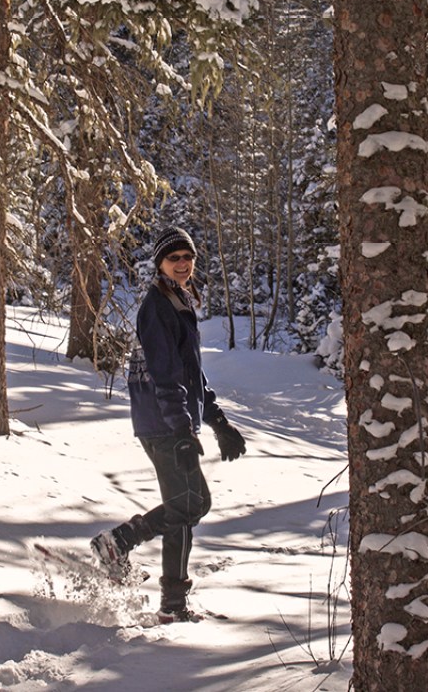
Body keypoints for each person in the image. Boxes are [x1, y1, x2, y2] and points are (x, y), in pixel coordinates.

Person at [91, 225, 247, 623]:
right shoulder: (157, 306)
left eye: (187, 257)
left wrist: (217, 421)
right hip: (162, 422)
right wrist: (180, 429)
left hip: (172, 421)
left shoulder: (178, 301)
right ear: (160, 263)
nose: (182, 264)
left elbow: (191, 375)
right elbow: (164, 375)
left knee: (192, 504)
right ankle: (168, 601)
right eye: (174, 258)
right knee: (185, 508)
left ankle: (124, 547)